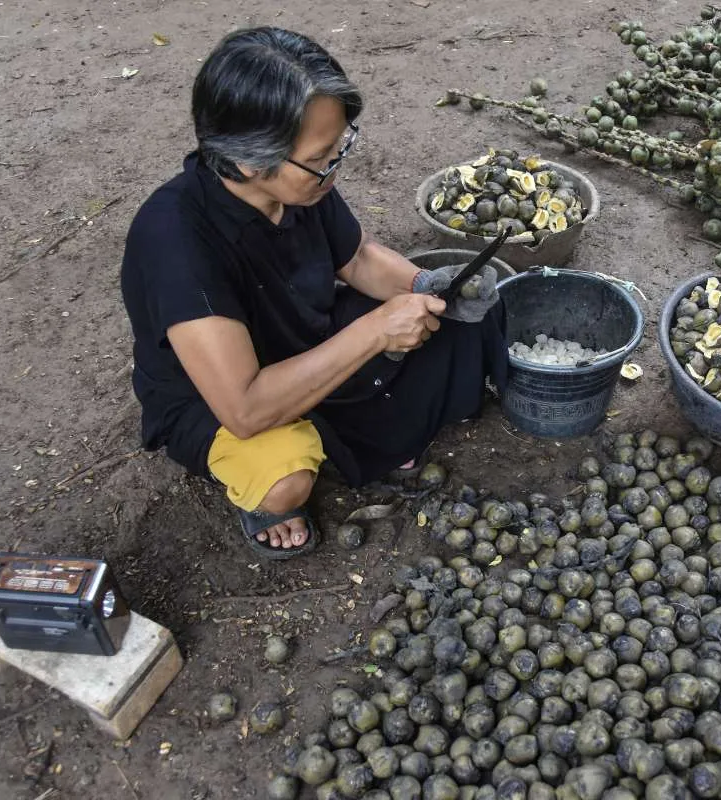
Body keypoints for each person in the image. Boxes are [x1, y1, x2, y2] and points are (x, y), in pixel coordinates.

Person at [119, 27, 508, 561]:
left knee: (459, 319)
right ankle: (272, 485)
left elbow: (357, 256)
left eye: (342, 144)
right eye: (324, 155)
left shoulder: (301, 182)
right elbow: (247, 409)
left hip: (308, 335)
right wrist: (374, 332)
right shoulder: (177, 241)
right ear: (253, 161)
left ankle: (354, 422)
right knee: (285, 481)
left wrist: (422, 285)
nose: (336, 165)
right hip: (220, 396)